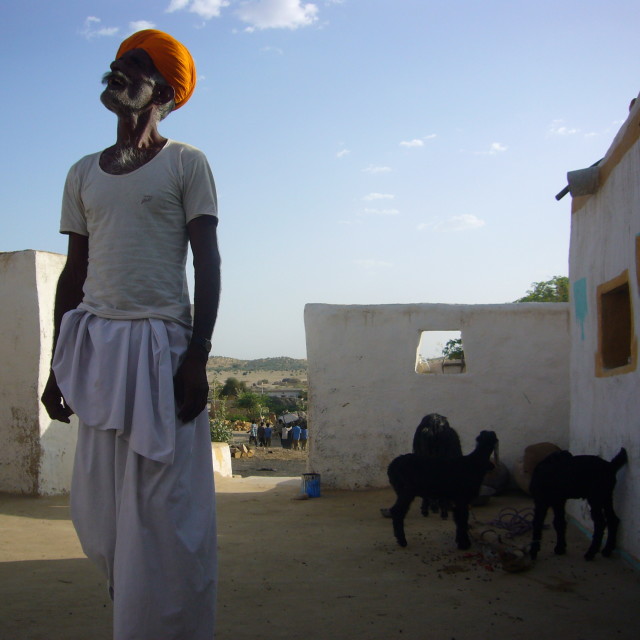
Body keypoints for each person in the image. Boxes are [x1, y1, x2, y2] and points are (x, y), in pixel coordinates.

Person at [40, 29, 220, 640]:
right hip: (97, 350)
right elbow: (75, 272)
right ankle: (130, 617)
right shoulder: (82, 173)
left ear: (163, 90)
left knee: (167, 516)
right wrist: (56, 366)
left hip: (163, 351)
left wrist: (197, 355)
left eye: (135, 65)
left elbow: (208, 262)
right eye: (117, 61)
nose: (117, 69)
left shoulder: (186, 162)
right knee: (103, 514)